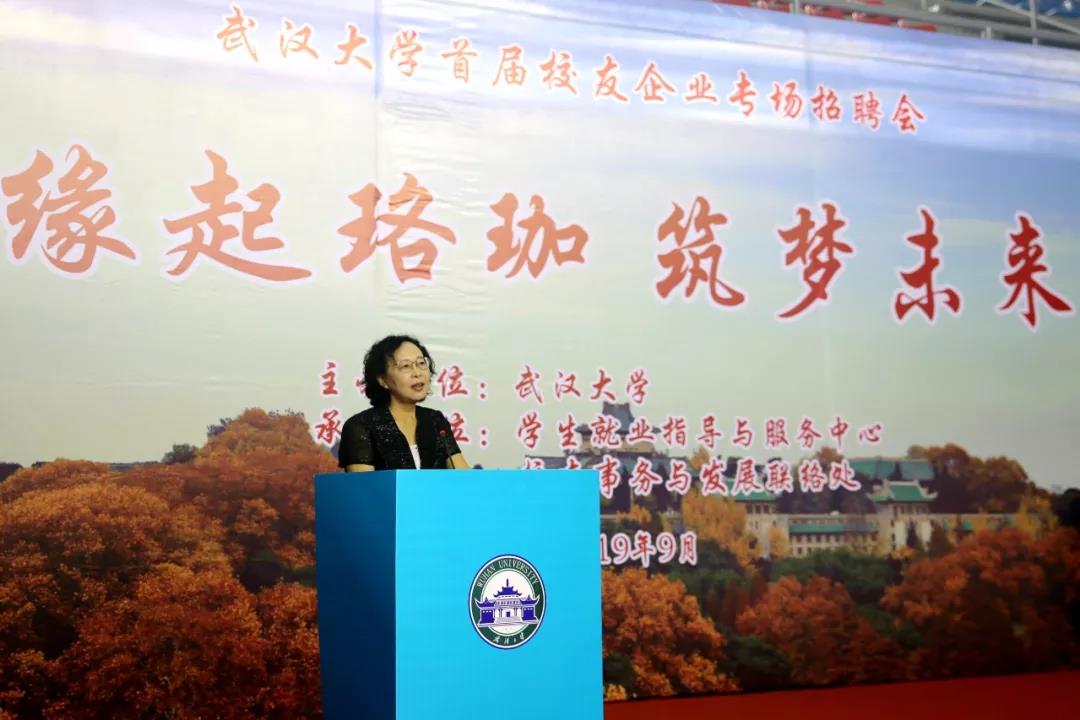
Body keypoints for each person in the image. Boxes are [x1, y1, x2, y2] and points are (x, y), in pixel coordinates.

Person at [338, 334, 469, 471]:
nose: (417, 373)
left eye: (421, 363)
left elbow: (465, 477)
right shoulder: (361, 426)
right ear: (382, 380)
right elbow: (364, 484)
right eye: (406, 366)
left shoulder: (435, 420)